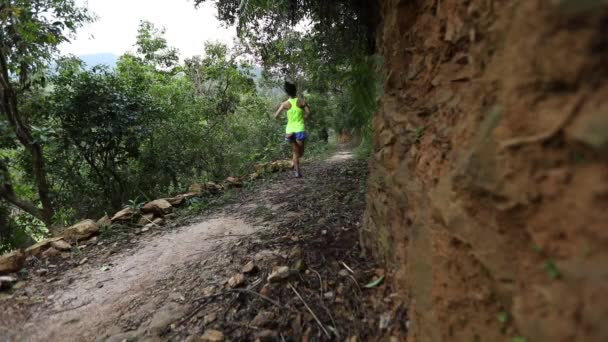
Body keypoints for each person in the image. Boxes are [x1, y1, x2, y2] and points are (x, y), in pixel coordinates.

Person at [274, 81, 310, 178]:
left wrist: (284, 119)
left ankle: (297, 172)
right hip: (299, 128)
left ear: (287, 93)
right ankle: (297, 171)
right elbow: (308, 113)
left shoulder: (285, 104)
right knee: (300, 152)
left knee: (295, 151)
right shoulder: (301, 101)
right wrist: (304, 117)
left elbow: (276, 115)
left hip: (289, 129)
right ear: (295, 91)